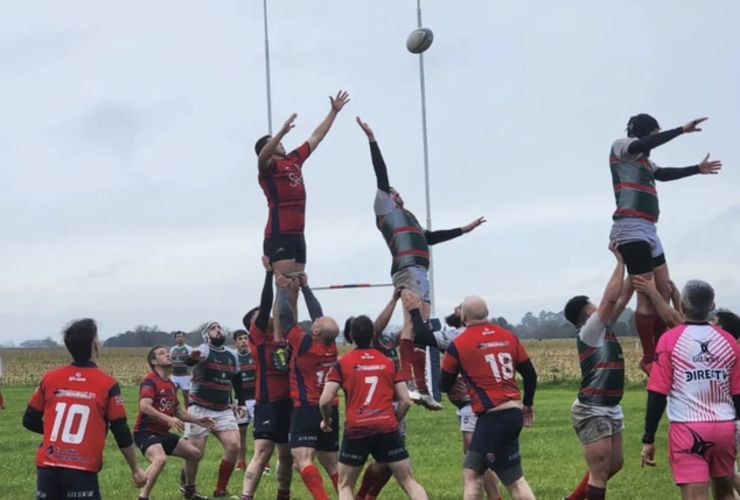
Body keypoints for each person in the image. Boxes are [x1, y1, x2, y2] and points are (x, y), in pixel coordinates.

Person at [357, 116, 485, 407]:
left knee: (420, 328)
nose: (397, 192)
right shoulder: (385, 209)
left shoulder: (410, 217)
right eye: (393, 191)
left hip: (420, 272)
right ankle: (410, 383)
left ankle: (422, 386)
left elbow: (431, 236)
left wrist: (464, 230)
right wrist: (373, 140)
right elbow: (382, 175)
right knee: (410, 326)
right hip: (407, 270)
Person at [608, 114, 721, 375]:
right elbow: (644, 143)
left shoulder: (645, 161)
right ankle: (650, 358)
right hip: (630, 228)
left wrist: (697, 169)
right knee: (647, 297)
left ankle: (663, 348)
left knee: (665, 290)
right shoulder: (622, 146)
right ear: (645, 133)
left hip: (649, 230)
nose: (653, 140)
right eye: (653, 134)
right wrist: (681, 130)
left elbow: (664, 174)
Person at [255, 91, 350, 339]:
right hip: (279, 235)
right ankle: (278, 339)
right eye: (274, 142)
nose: (282, 144)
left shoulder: (294, 159)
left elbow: (316, 137)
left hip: (298, 234)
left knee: (295, 287)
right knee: (284, 287)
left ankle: (293, 336)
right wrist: (280, 133)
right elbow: (262, 157)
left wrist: (334, 112)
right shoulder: (268, 168)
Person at [22, 318, 147, 500]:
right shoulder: (108, 384)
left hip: (47, 467)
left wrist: (55, 431)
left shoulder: (49, 379)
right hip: (82, 468)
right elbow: (120, 429)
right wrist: (136, 469)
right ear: (96, 345)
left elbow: (29, 420)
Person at [641, 280, 740, 500]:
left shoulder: (669, 340)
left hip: (688, 429)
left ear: (682, 307)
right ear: (712, 305)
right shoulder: (729, 342)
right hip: (725, 429)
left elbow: (657, 392)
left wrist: (648, 437)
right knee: (726, 495)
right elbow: (738, 394)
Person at [320, 315, 430, 500]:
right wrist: (394, 421)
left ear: (350, 336)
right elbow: (404, 399)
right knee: (409, 481)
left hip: (357, 430)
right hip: (387, 428)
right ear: (373, 335)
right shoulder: (388, 362)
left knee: (345, 485)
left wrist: (326, 420)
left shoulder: (342, 364)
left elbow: (325, 400)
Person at [440, 296, 537, 500]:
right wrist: (527, 404)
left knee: (515, 482)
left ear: (464, 316)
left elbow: (443, 385)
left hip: (493, 418)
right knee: (472, 470)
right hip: (511, 412)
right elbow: (530, 374)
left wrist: (459, 378)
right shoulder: (508, 337)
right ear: (487, 312)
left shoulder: (458, 345)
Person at [409, 299, 504, 500]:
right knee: (477, 456)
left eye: (458, 307)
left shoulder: (458, 334)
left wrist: (415, 312)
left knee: (475, 458)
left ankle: (495, 497)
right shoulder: (484, 333)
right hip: (478, 403)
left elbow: (424, 336)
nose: (453, 309)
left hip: (473, 404)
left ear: (464, 316)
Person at [561, 242, 631, 500]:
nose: (597, 307)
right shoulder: (590, 330)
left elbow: (622, 297)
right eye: (593, 305)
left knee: (614, 464)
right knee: (600, 472)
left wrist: (637, 267)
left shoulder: (604, 327)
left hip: (610, 407)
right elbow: (612, 297)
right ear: (588, 312)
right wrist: (620, 263)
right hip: (592, 408)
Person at [273, 273, 340, 500]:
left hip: (306, 407)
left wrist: (282, 289)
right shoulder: (331, 346)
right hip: (331, 407)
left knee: (302, 460)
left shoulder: (304, 345)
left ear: (316, 332)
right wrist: (306, 288)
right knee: (331, 464)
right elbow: (318, 314)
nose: (314, 321)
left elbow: (284, 316)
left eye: (316, 324)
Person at [242, 257, 294, 500]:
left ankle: (283, 495)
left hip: (288, 402)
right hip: (267, 402)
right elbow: (266, 307)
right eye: (258, 315)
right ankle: (246, 496)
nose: (265, 316)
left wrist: (291, 286)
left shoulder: (282, 339)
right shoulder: (257, 338)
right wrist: (268, 275)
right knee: (262, 453)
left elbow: (284, 310)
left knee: (286, 455)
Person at [134, 346, 216, 500]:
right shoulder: (149, 381)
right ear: (154, 361)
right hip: (145, 432)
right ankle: (143, 497)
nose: (167, 354)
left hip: (163, 433)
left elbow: (178, 411)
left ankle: (189, 492)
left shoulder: (170, 384)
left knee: (194, 454)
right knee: (160, 459)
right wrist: (168, 419)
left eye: (167, 352)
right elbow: (144, 407)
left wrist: (199, 420)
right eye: (162, 353)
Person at [181, 322, 245, 500]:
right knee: (196, 453)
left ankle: (220, 490)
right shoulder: (204, 349)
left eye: (219, 327)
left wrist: (240, 401)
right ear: (207, 335)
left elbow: (237, 379)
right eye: (213, 328)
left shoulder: (232, 355)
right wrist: (193, 358)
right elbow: (190, 360)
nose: (219, 330)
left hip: (223, 409)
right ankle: (189, 489)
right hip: (199, 407)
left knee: (234, 445)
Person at [231, 329, 256, 472]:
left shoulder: (254, 355)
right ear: (235, 342)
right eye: (240, 338)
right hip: (241, 400)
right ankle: (241, 462)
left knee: (259, 433)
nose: (244, 341)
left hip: (256, 398)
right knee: (242, 432)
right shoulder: (232, 357)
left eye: (246, 338)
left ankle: (263, 462)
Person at [171, 331, 194, 409]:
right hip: (174, 376)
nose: (180, 338)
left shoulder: (189, 349)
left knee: (186, 396)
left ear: (183, 338)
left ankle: (188, 412)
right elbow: (170, 362)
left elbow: (193, 363)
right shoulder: (173, 349)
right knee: (172, 394)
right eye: (178, 337)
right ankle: (172, 411)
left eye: (181, 336)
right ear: (175, 339)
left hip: (185, 376)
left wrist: (192, 374)